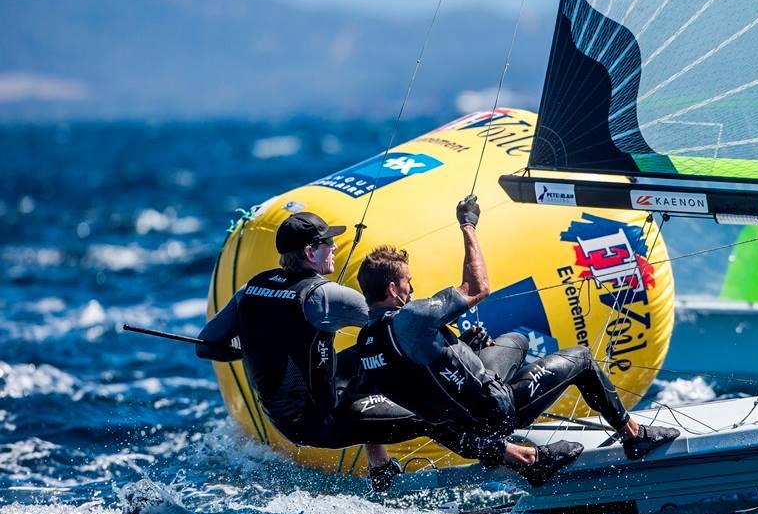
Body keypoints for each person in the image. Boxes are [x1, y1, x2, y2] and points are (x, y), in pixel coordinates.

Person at [196, 211, 577, 492]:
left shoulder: (252, 288)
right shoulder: (323, 295)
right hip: (319, 418)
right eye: (328, 243)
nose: (332, 249)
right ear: (311, 252)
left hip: (286, 413)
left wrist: (250, 349)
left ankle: (380, 467)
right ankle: (525, 460)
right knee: (429, 413)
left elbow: (208, 346)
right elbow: (397, 324)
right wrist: (460, 342)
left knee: (360, 366)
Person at [354, 195, 679, 472]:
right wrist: (468, 225)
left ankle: (525, 460)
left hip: (459, 429)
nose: (413, 288)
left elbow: (397, 387)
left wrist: (378, 462)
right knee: (581, 358)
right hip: (494, 412)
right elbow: (477, 288)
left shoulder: (366, 345)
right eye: (408, 282)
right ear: (394, 289)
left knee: (516, 341)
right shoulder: (411, 317)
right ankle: (634, 435)